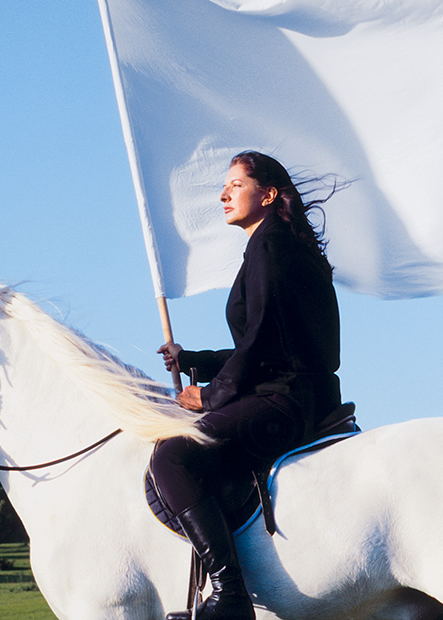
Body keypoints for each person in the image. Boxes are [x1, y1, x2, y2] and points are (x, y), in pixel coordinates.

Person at [151, 151, 342, 620]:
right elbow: (268, 342)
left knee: (173, 454)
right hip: (286, 392)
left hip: (283, 402)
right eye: (226, 186)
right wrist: (192, 360)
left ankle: (230, 595)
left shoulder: (271, 247)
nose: (223, 195)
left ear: (268, 194)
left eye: (235, 185)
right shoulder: (271, 245)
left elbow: (258, 345)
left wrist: (210, 395)